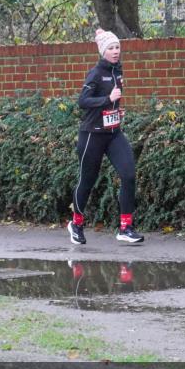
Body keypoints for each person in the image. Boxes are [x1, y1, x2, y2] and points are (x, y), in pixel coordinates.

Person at [67, 29, 144, 245]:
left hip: (113, 134)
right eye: (111, 48)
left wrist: (116, 112)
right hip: (92, 135)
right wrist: (107, 99)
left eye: (117, 47)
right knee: (87, 181)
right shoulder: (96, 73)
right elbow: (83, 101)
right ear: (103, 51)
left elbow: (111, 104)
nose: (115, 51)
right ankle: (77, 223)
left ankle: (125, 227)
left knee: (128, 174)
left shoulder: (117, 71)